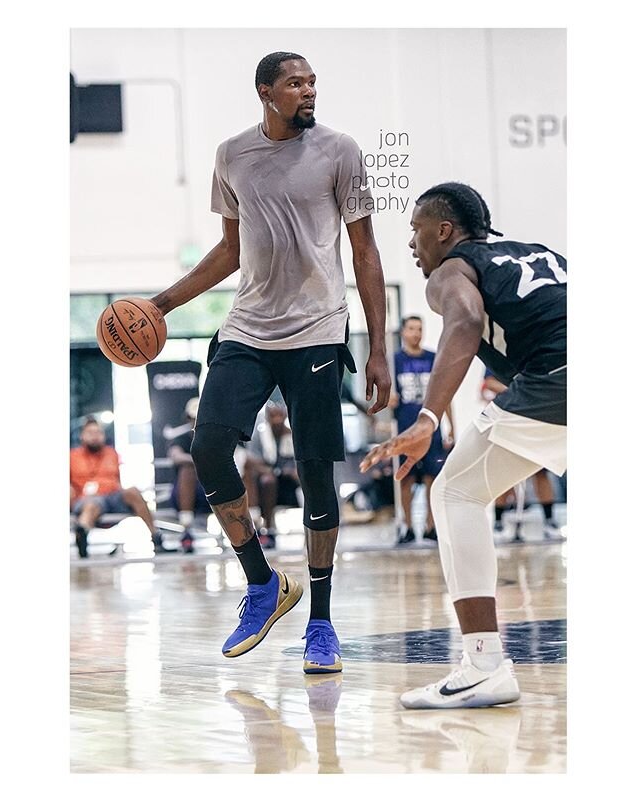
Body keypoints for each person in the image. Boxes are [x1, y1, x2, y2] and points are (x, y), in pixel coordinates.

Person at [149, 52, 391, 674]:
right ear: (265, 92)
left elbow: (364, 251)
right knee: (207, 449)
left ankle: (322, 622)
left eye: (312, 81)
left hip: (317, 329)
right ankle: (264, 584)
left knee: (316, 478)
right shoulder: (233, 154)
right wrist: (162, 303)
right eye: (295, 82)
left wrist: (378, 347)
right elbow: (230, 249)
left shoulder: (341, 150)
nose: (309, 90)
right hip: (248, 328)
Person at [361, 182, 566, 708]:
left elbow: (467, 322)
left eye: (416, 229)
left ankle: (482, 663)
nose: (412, 242)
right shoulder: (537, 253)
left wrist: (428, 416)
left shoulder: (452, 269)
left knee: (454, 494)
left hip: (559, 378)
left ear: (445, 231)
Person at [390, 315, 455, 544]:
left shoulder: (433, 358)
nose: (416, 333)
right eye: (411, 328)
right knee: (405, 478)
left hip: (431, 427)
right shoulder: (394, 360)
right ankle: (406, 526)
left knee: (432, 477)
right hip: (405, 428)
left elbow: (445, 395)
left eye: (420, 328)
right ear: (403, 332)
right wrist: (388, 400)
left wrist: (451, 427)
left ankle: (430, 526)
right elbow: (385, 397)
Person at [70, 417, 167, 558]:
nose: (95, 436)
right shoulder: (72, 456)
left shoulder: (111, 453)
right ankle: (82, 533)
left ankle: (155, 536)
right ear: (82, 435)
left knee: (133, 491)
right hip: (86, 498)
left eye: (98, 432)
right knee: (92, 505)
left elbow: (117, 480)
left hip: (112, 495)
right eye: (90, 433)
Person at [481, 370, 561, 538]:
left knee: (540, 471)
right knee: (504, 474)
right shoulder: (502, 354)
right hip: (508, 420)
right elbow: (488, 383)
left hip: (534, 420)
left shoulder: (538, 356)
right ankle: (498, 522)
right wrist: (519, 391)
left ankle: (549, 520)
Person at [242, 401, 301, 549]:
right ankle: (265, 527)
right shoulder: (259, 435)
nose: (277, 420)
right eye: (273, 416)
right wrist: (269, 470)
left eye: (280, 415)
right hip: (263, 480)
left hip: (287, 482)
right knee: (267, 480)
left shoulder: (291, 435)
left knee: (305, 478)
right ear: (267, 417)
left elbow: (295, 463)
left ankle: (316, 522)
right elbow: (250, 460)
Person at [165, 397, 209, 553]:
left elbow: (239, 457)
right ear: (188, 418)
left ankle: (255, 528)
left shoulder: (217, 438)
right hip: (184, 494)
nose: (197, 421)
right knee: (187, 470)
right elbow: (176, 456)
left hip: (214, 490)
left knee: (245, 468)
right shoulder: (181, 439)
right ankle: (187, 531)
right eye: (194, 417)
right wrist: (202, 462)